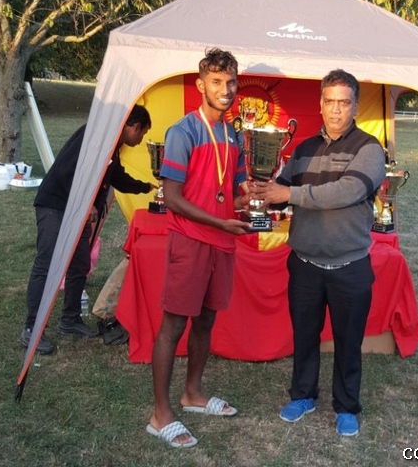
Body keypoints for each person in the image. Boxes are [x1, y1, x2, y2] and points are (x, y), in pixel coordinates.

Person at [252, 70, 386, 437]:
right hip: (306, 264)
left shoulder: (369, 148)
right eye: (330, 102)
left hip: (350, 265)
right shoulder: (303, 149)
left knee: (348, 342)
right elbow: (280, 189)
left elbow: (348, 191)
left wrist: (290, 195)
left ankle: (347, 406)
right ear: (321, 105)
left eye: (344, 102)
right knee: (304, 335)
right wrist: (260, 189)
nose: (336, 110)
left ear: (355, 106)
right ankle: (303, 395)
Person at [146, 48, 252, 448]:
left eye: (231, 82)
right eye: (216, 82)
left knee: (206, 321)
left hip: (222, 242)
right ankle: (160, 414)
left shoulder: (234, 134)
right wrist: (219, 221)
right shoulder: (183, 132)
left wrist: (252, 198)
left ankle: (192, 394)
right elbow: (172, 198)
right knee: (173, 325)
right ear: (200, 85)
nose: (226, 90)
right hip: (191, 241)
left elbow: (233, 192)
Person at [20, 104, 155, 355]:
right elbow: (70, 171)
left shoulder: (113, 145)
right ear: (134, 127)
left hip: (77, 210)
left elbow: (116, 177)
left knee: (80, 263)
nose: (141, 140)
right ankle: (31, 328)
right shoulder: (95, 135)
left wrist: (145, 187)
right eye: (143, 133)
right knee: (47, 263)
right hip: (56, 204)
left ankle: (69, 319)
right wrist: (86, 203)